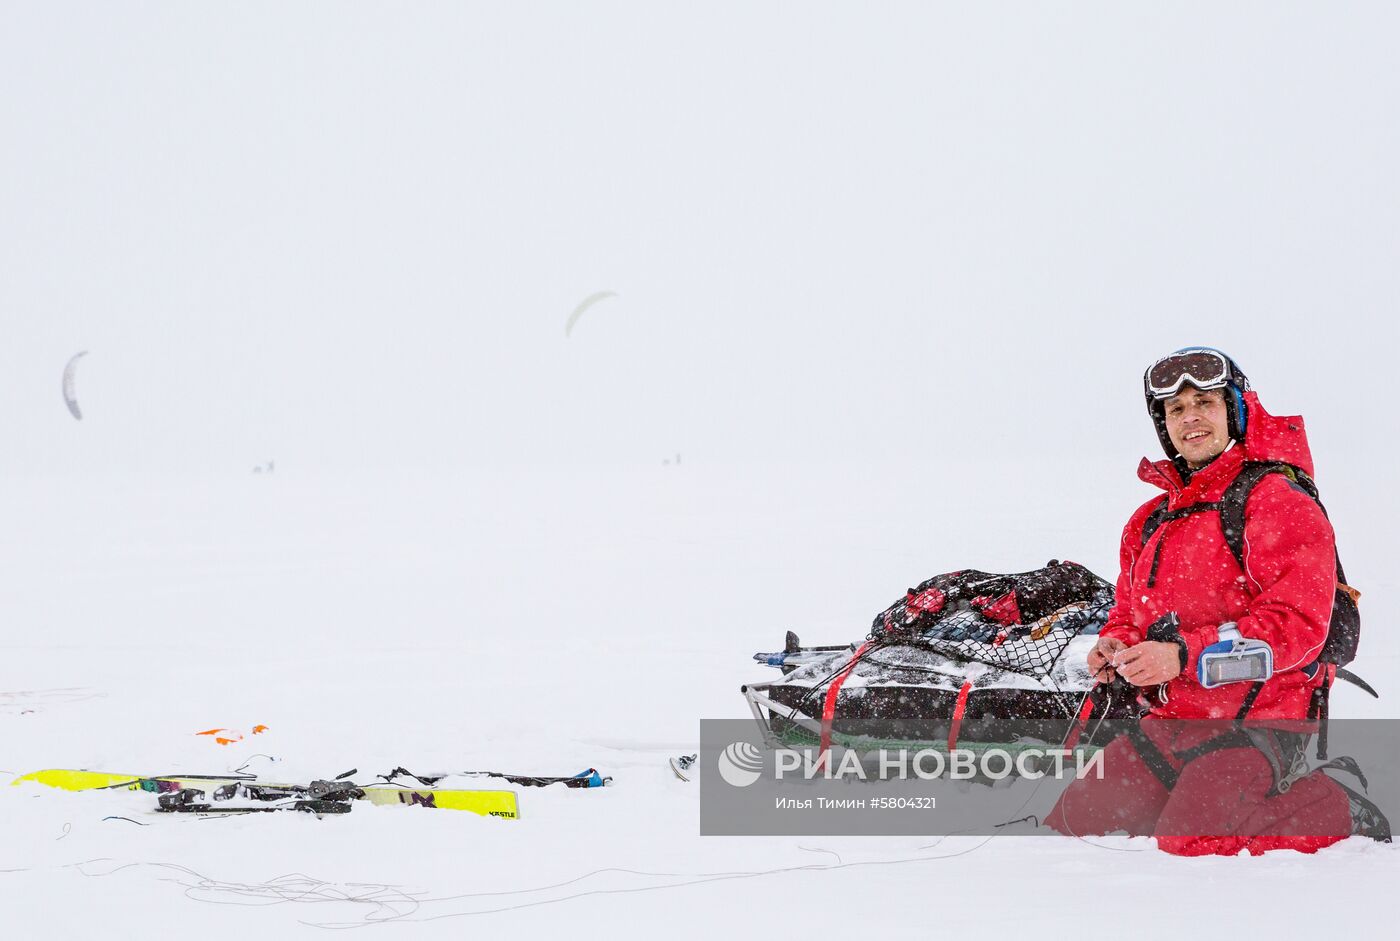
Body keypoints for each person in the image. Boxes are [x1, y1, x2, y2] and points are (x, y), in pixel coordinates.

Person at [1046, 347, 1389, 854]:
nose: (1191, 417)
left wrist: (1183, 655)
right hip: (1169, 722)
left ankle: (1337, 805)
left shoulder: (1276, 501)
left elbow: (1295, 628)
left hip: (1261, 726)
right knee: (1072, 826)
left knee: (1191, 841)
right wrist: (1116, 644)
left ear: (1234, 410)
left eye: (1204, 402)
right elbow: (1128, 610)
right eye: (1176, 409)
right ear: (1164, 424)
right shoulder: (1149, 520)